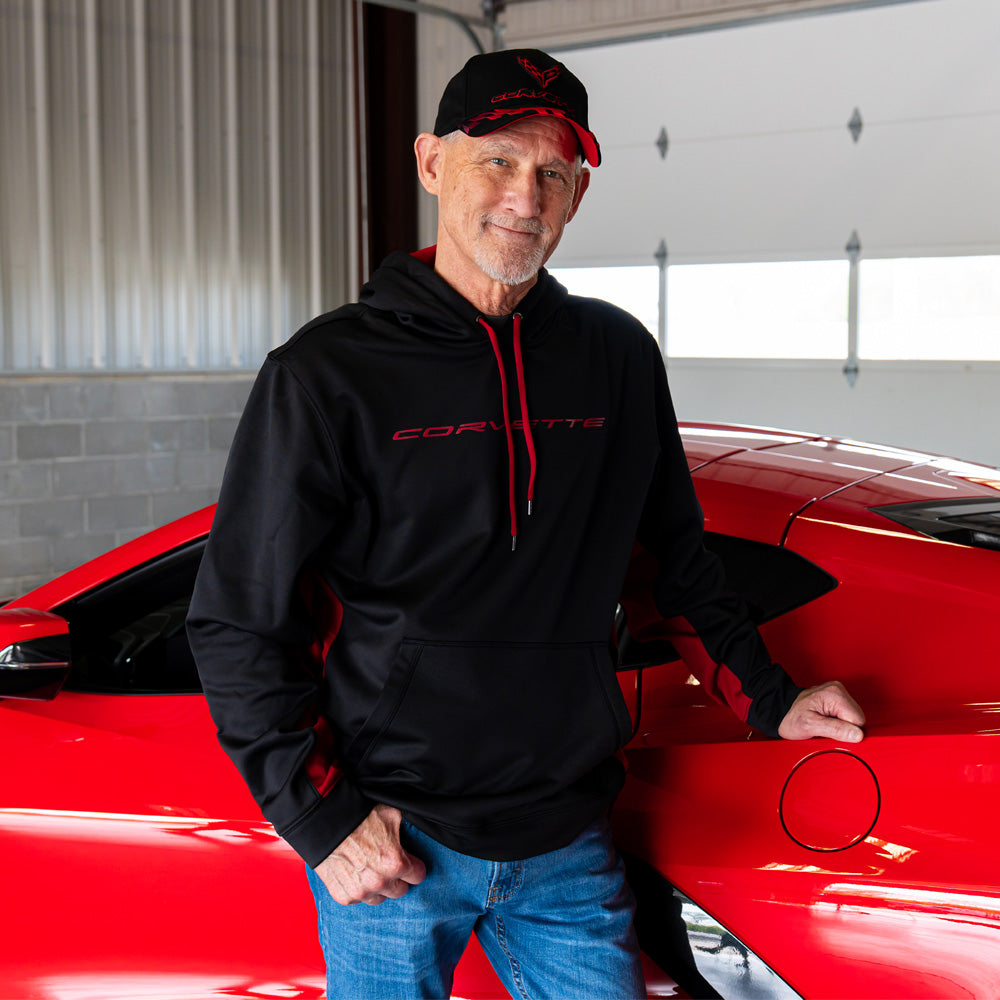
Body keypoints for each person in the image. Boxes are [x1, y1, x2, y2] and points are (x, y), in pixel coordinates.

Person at [187, 47, 865, 999]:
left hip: (567, 841)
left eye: (554, 171)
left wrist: (769, 696)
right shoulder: (326, 375)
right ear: (432, 164)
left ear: (579, 194)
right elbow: (236, 619)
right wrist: (320, 821)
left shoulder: (616, 357)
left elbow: (675, 555)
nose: (525, 195)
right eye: (497, 160)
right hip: (392, 846)